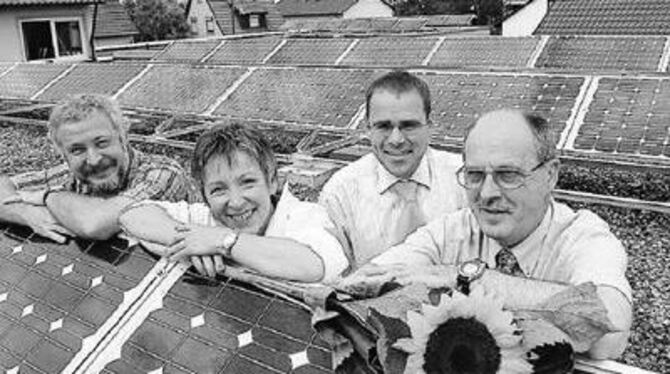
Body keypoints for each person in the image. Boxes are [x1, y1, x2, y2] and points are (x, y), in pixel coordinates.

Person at [355, 109, 632, 359]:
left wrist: (463, 277)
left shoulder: (583, 238)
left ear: (550, 175)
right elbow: (368, 281)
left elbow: (609, 331)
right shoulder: (451, 230)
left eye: (508, 174)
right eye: (475, 175)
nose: (487, 194)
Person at [119, 123, 348, 283]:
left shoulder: (307, 216)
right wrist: (189, 241)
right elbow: (132, 214)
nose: (236, 202)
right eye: (218, 190)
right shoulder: (203, 220)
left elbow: (315, 265)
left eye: (247, 182)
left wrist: (223, 242)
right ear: (204, 195)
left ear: (272, 182)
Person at [319, 70, 466, 268]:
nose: (396, 139)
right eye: (383, 126)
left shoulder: (465, 181)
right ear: (367, 129)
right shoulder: (340, 193)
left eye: (408, 126)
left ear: (430, 127)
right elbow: (334, 273)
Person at [0, 94, 195, 242]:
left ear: (122, 137)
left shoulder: (163, 174)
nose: (93, 160)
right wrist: (26, 213)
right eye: (77, 150)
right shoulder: (68, 176)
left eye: (101, 143)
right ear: (64, 155)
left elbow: (94, 224)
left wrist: (48, 198)